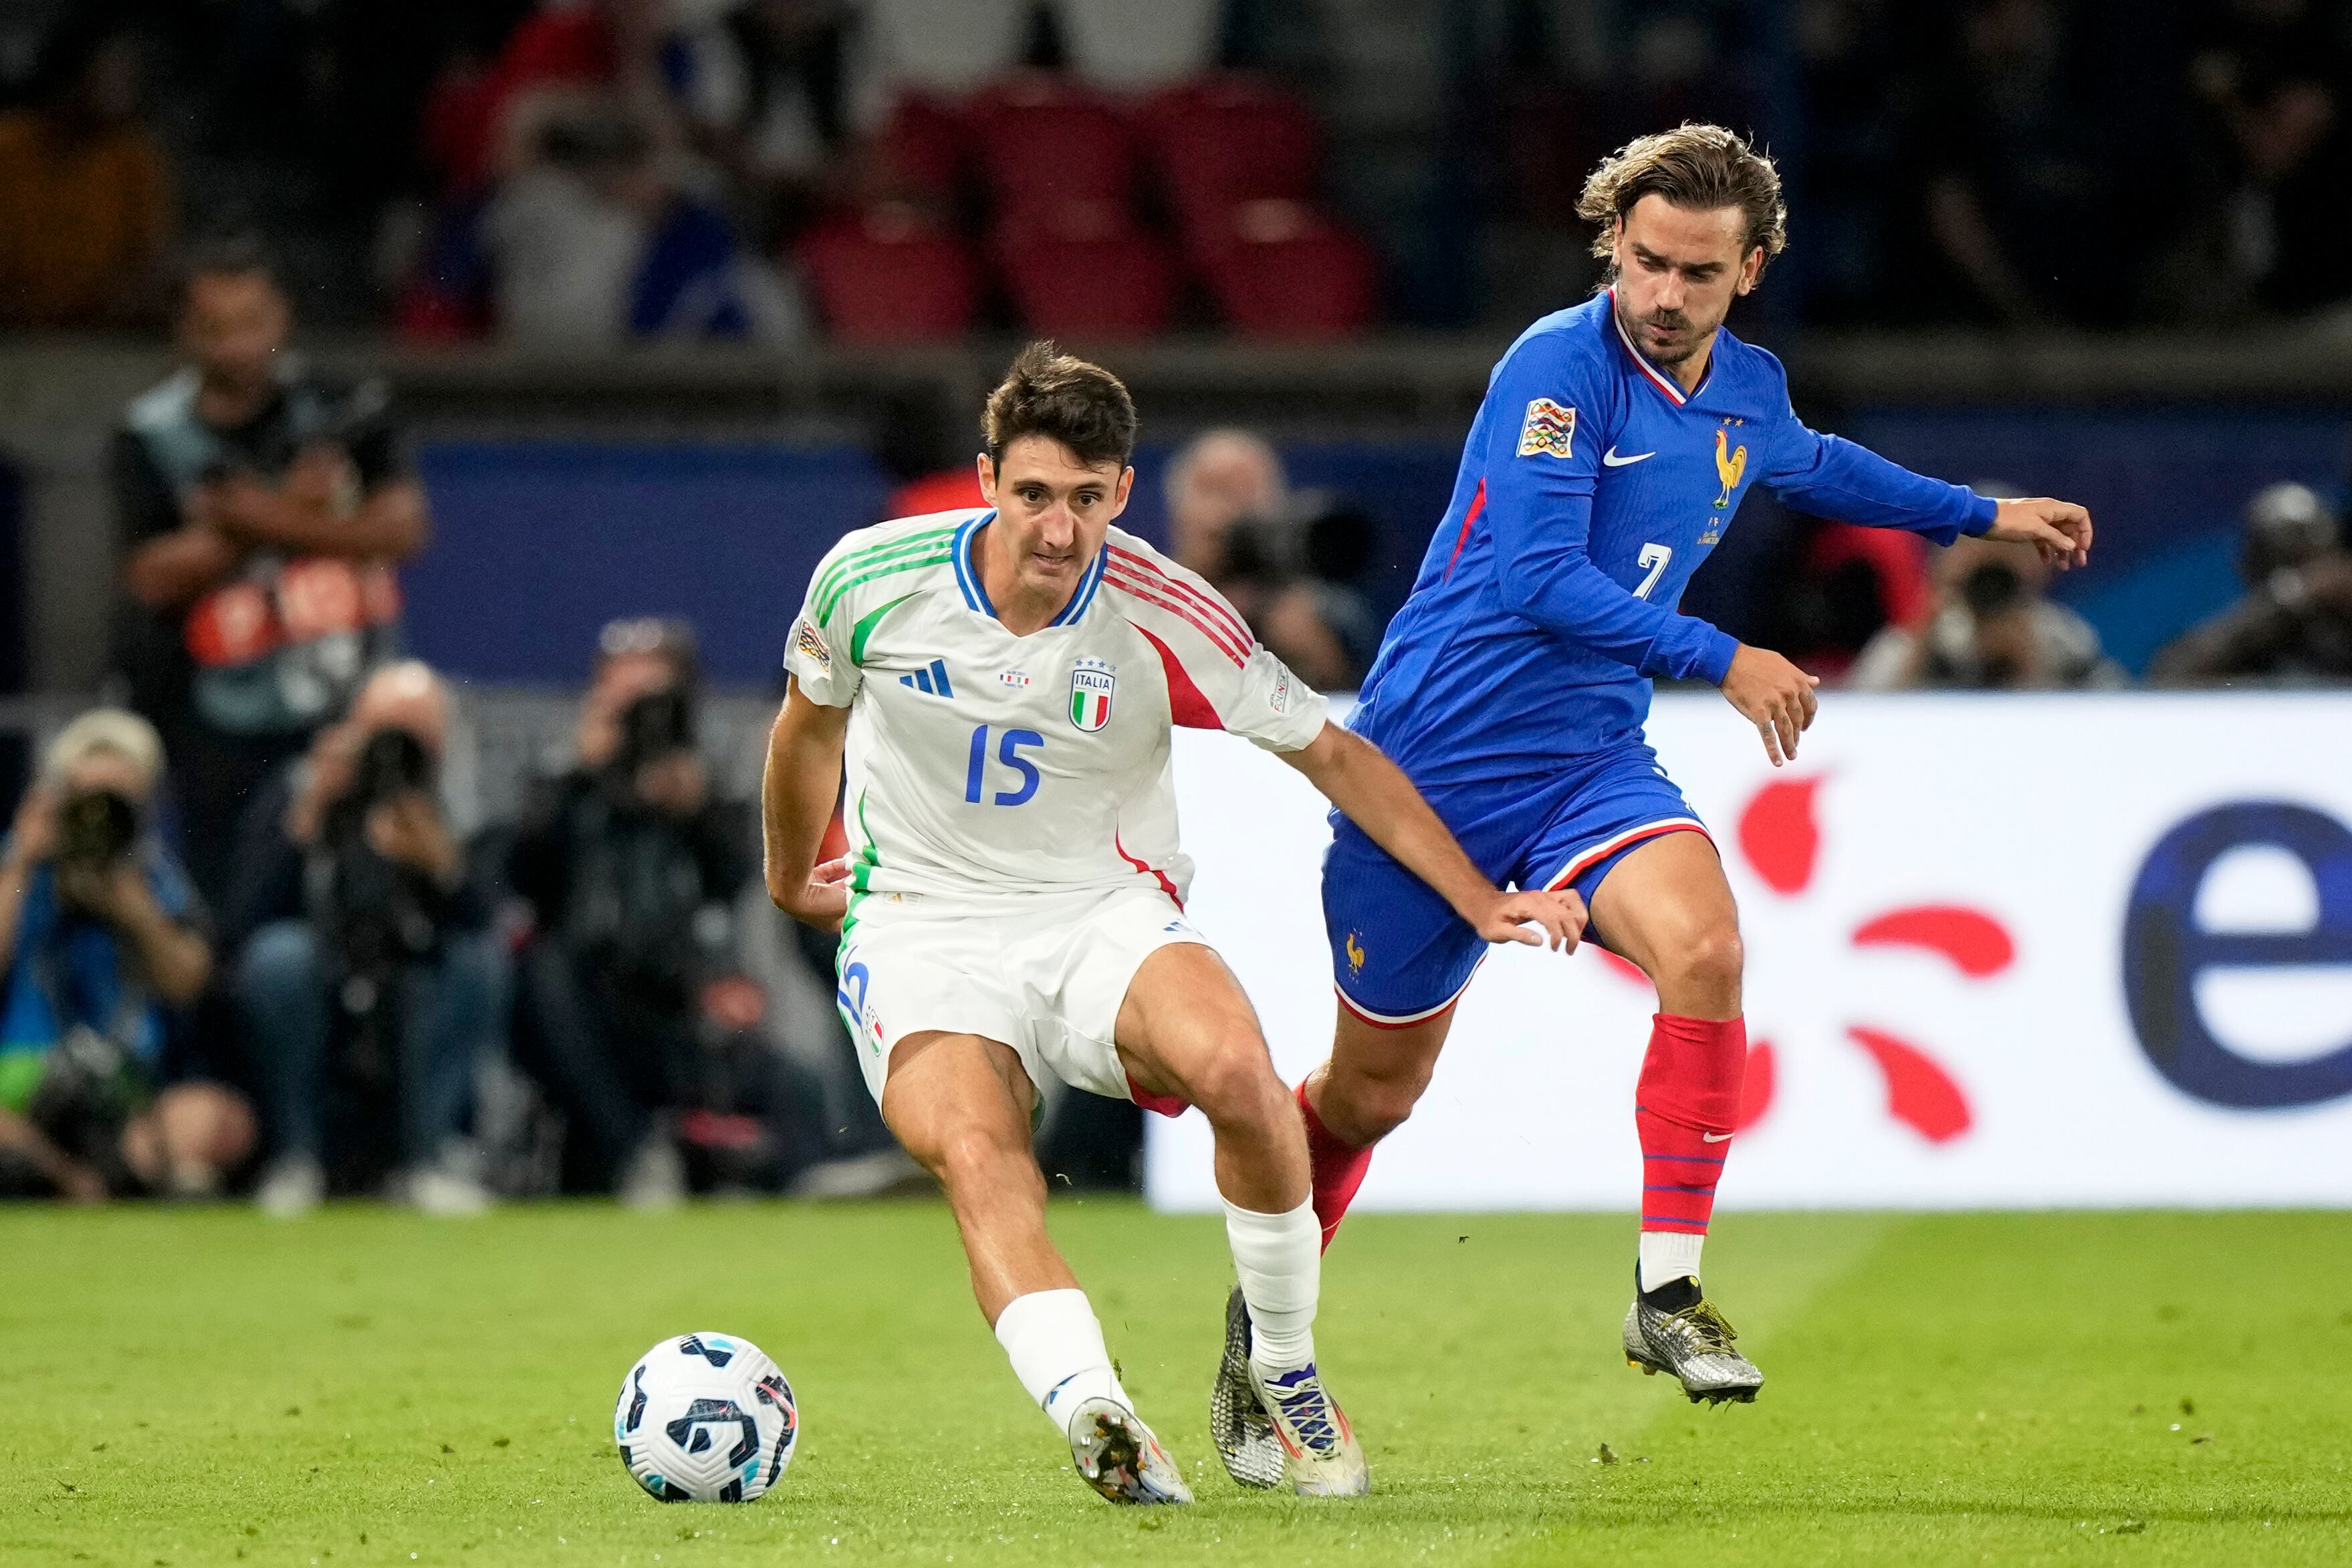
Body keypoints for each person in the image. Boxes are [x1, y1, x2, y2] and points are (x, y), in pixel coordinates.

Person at [1282, 126, 2093, 1419]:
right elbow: (1536, 578)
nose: (1662, 294)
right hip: (1431, 767)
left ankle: (1665, 1293)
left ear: (1748, 270)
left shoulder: (1745, 385)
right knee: (1370, 1098)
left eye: (1696, 273)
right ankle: (1262, 1324)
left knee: (1705, 952)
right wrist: (1723, 656)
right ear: (1613, 241)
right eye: (1645, 261)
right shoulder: (1556, 367)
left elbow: (1810, 462)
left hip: (1587, 760)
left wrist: (1979, 514)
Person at [762, 343, 1581, 1505]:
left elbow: (1333, 753)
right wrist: (790, 875)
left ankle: (1282, 1369)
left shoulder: (1162, 607)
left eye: (1086, 499)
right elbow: (806, 727)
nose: (1057, 529)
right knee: (982, 1156)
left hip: (1100, 909)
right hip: (920, 922)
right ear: (986, 478)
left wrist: (1473, 894)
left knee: (1242, 1076)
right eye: (1033, 493)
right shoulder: (869, 576)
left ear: (1123, 494)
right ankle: (1095, 1411)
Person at [113, 233, 427, 912]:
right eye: (216, 329)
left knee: (359, 896)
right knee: (229, 908)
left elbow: (401, 530)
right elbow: (152, 575)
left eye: (252, 323)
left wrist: (251, 518)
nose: (238, 347)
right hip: (214, 721)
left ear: (283, 316)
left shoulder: (344, 412)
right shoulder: (149, 434)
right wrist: (299, 505)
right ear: (184, 332)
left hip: (339, 704)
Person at [224, 663, 503, 1218]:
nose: (394, 751)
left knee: (477, 962)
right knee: (278, 959)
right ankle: (298, 1159)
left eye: (414, 735)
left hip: (417, 969)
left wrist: (442, 863)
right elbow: (242, 922)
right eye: (383, 731)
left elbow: (490, 920)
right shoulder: (304, 786)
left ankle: (430, 1161)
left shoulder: (459, 802)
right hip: (322, 969)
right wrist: (306, 818)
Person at [505, 618, 761, 1204]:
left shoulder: (709, 774)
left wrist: (697, 809)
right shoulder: (566, 775)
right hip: (583, 981)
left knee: (746, 1024)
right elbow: (524, 878)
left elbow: (735, 883)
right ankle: (635, 1153)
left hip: (677, 981)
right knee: (542, 973)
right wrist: (580, 774)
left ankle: (771, 1166)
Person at [0, 710, 253, 1200]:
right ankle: (81, 1177)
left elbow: (190, 982)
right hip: (22, 1076)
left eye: (116, 802)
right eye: (86, 799)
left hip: (128, 1085)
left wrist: (135, 912)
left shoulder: (155, 876)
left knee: (222, 1119)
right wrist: (23, 863)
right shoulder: (19, 864)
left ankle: (81, 1173)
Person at [0, 7, 172, 329]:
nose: (124, 86)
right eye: (112, 73)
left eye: (129, 75)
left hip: (97, 335)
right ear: (74, 72)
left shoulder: (133, 156)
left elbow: (147, 263)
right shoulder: (9, 145)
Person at [1847, 527, 2121, 690]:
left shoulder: (2062, 639)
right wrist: (1922, 651)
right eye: (1974, 550)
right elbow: (1865, 710)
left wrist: (2030, 667)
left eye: (2010, 550)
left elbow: (2113, 710)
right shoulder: (1916, 638)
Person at [2150, 481, 2352, 685]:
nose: (2310, 578)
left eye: (2309, 562)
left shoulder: (2341, 629)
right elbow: (2171, 674)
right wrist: (2284, 602)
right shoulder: (2253, 637)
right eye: (2280, 560)